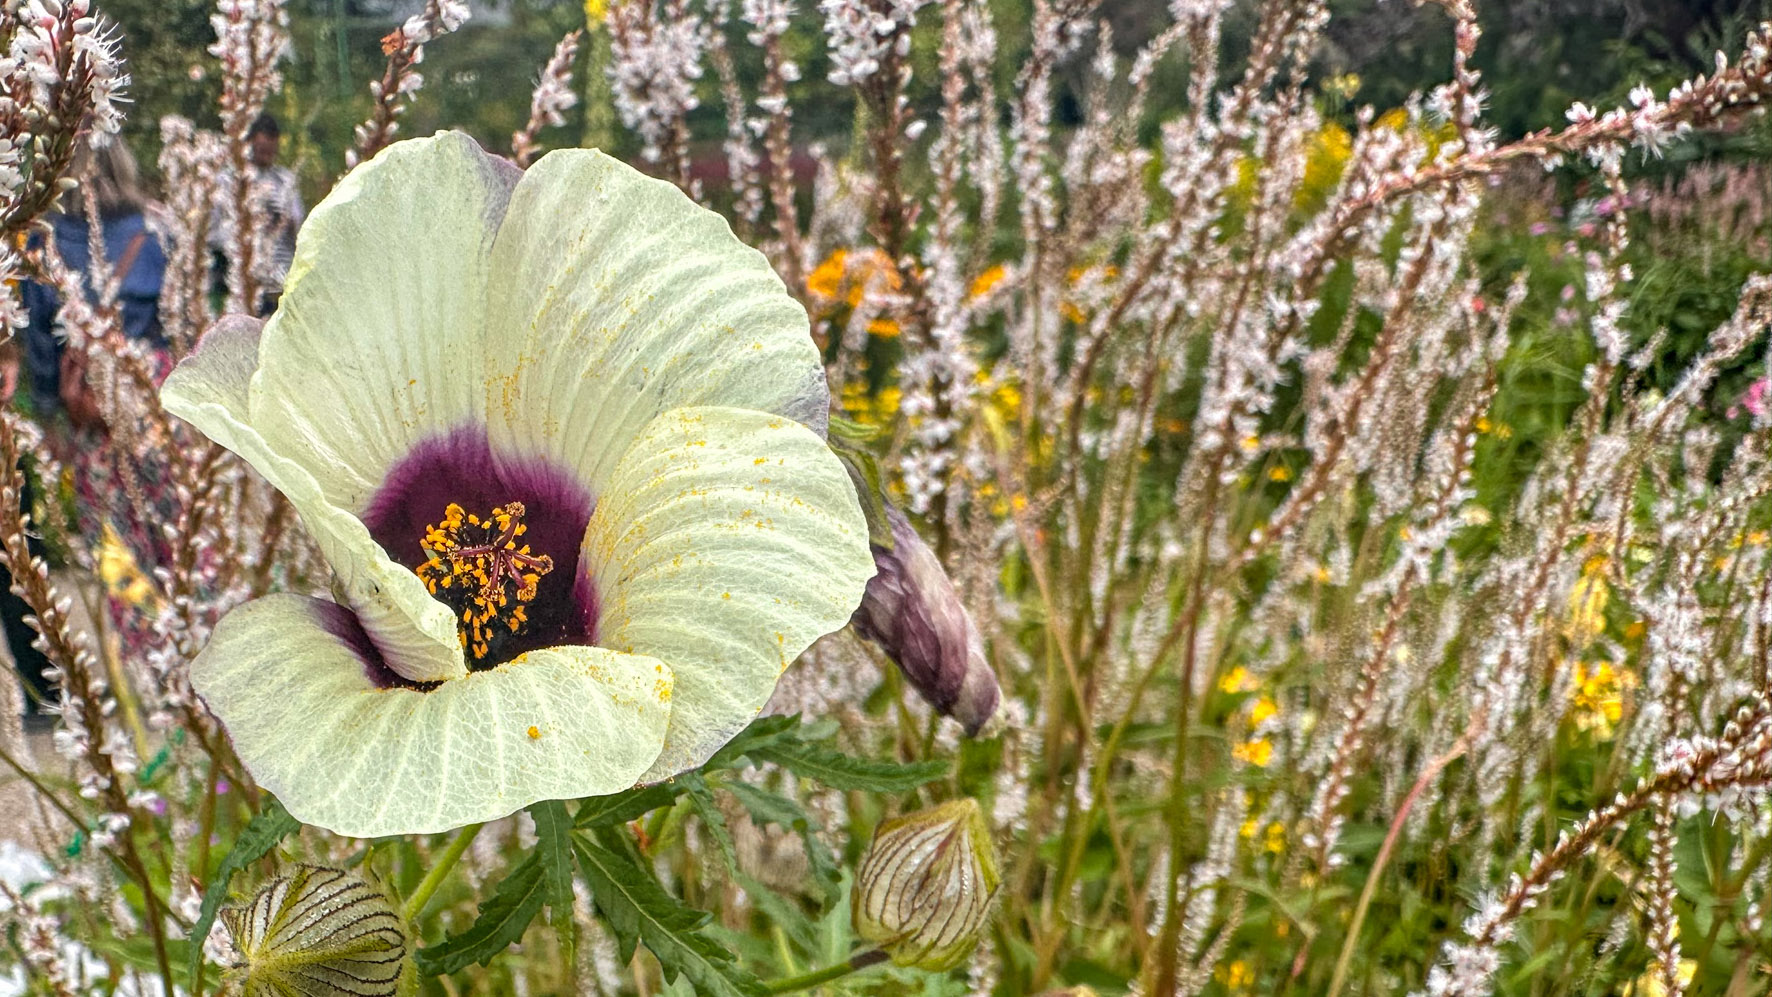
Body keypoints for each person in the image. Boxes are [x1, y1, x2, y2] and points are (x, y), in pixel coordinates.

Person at [211, 112, 305, 316]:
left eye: (271, 149)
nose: (267, 154)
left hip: (279, 281)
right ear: (248, 143)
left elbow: (300, 231)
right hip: (238, 281)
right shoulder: (227, 180)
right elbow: (213, 233)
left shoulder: (285, 180)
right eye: (261, 149)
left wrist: (284, 222)